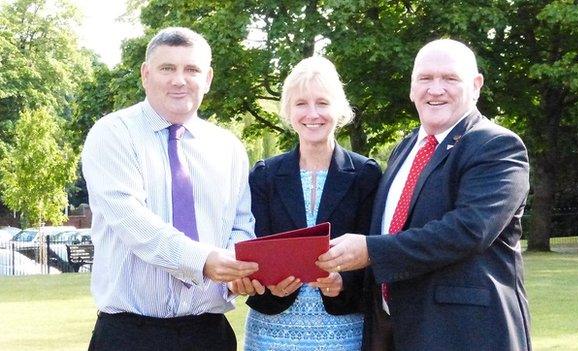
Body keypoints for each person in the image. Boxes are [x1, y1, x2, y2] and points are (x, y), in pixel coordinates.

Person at [316, 39, 532, 350]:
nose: (436, 89)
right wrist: (344, 279)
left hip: (466, 335)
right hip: (396, 330)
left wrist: (371, 250)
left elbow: (469, 230)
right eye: (425, 78)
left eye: (449, 78)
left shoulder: (496, 146)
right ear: (412, 87)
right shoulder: (406, 148)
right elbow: (390, 229)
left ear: (476, 86)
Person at [81, 27, 260, 351]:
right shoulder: (112, 135)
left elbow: (241, 223)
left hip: (209, 335)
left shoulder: (229, 147)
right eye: (168, 68)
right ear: (146, 74)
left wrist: (237, 266)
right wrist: (204, 260)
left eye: (191, 69)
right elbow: (133, 223)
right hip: (130, 335)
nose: (180, 80)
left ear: (207, 78)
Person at [237, 56, 382, 351]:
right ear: (289, 112)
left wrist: (342, 282)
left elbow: (375, 252)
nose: (312, 113)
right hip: (271, 331)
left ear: (339, 109)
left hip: (343, 332)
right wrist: (267, 284)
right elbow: (253, 245)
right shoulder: (265, 175)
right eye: (301, 103)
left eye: (323, 103)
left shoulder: (365, 174)